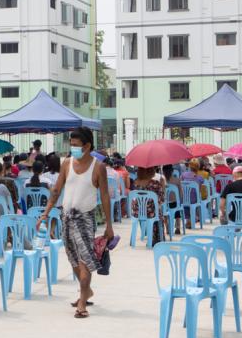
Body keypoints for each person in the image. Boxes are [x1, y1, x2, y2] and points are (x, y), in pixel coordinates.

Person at [37, 127, 115, 320]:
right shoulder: (66, 164)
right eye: (71, 145)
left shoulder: (98, 167)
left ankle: (82, 302)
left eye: (76, 145)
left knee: (85, 260)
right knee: (73, 259)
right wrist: (45, 213)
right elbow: (56, 190)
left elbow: (104, 196)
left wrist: (109, 226)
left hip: (86, 219)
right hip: (66, 217)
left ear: (87, 146)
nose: (73, 148)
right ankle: (86, 291)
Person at [130, 167, 164, 244]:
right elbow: (162, 200)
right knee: (157, 212)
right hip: (151, 213)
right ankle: (155, 238)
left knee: (152, 210)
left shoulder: (135, 183)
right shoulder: (155, 183)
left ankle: (138, 237)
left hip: (137, 213)